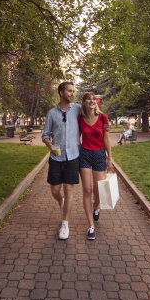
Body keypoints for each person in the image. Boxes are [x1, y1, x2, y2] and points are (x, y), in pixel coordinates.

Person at [42, 82, 110, 240]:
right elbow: (45, 135)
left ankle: (65, 222)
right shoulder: (51, 113)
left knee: (71, 190)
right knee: (55, 190)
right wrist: (50, 146)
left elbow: (95, 114)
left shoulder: (77, 110)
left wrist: (107, 124)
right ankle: (62, 202)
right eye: (69, 91)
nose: (72, 94)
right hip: (56, 156)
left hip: (74, 156)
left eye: (73, 91)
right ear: (61, 92)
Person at [78, 92, 112, 240]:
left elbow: (107, 139)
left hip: (99, 155)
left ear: (96, 102)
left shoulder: (103, 118)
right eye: (88, 99)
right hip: (84, 155)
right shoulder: (80, 118)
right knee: (87, 190)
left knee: (98, 191)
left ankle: (96, 207)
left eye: (93, 99)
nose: (91, 101)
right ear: (84, 103)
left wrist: (109, 159)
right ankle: (90, 226)